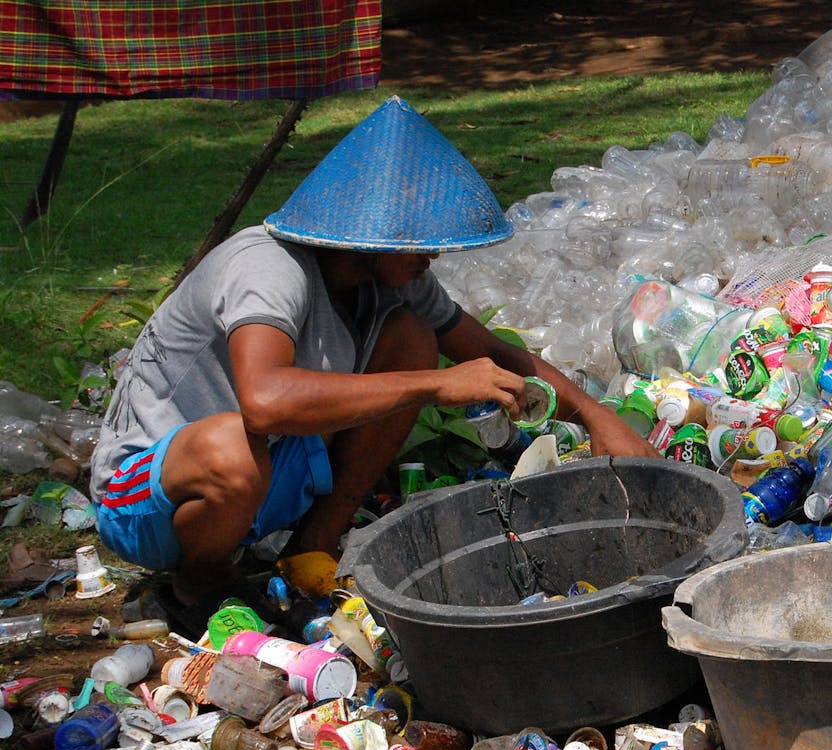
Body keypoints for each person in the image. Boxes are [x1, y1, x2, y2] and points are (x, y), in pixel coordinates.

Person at [91, 96, 655, 614]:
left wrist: (594, 415)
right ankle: (201, 581)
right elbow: (263, 403)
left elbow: (487, 350)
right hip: (148, 499)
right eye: (422, 241)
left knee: (413, 336)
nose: (432, 256)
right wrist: (434, 385)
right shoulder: (268, 267)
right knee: (233, 450)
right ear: (371, 234)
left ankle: (313, 545)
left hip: (265, 480)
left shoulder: (394, 281)